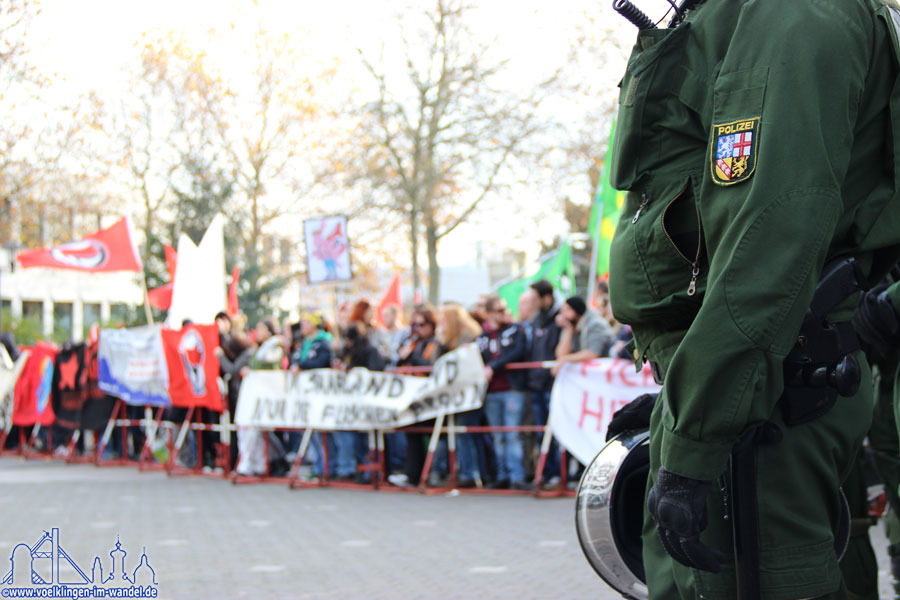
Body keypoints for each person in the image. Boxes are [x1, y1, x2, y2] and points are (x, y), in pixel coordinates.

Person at [604, 1, 900, 597]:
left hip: (775, 391)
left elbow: (768, 244)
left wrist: (700, 428)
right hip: (760, 381)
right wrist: (688, 396)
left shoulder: (791, 12)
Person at [476, 295, 529, 490]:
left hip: (512, 389)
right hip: (491, 392)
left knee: (512, 433)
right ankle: (502, 475)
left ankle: (517, 475)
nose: (504, 313)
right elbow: (479, 358)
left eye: (505, 309)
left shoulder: (515, 330)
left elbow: (517, 352)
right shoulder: (481, 337)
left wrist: (494, 366)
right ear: (489, 314)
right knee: (498, 435)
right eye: (499, 310)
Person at [435, 302, 485, 488]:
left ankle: (471, 473)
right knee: (463, 432)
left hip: (469, 393)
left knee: (466, 432)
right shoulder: (447, 339)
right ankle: (471, 471)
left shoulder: (470, 338)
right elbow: (438, 363)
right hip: (456, 395)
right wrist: (440, 342)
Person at [526, 279, 562, 487]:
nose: (532, 303)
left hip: (553, 383)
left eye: (534, 298)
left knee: (556, 431)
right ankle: (546, 473)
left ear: (546, 298)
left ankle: (559, 473)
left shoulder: (559, 319)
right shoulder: (534, 320)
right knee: (541, 431)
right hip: (536, 383)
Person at [550, 296, 612, 375]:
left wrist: (565, 359)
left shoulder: (595, 324)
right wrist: (568, 330)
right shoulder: (571, 325)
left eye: (566, 310)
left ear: (575, 310)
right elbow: (561, 354)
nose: (562, 316)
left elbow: (592, 353)